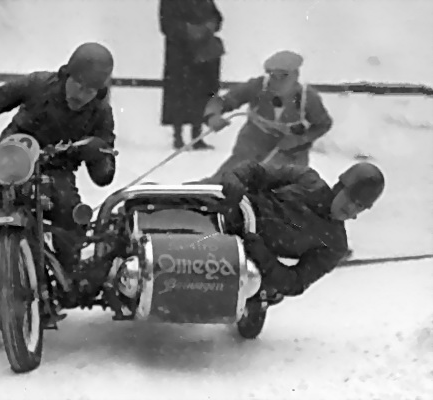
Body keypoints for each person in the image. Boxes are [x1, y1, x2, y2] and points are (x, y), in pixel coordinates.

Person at [0, 42, 117, 315]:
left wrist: (97, 152)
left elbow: (104, 175)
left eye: (90, 90)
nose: (82, 94)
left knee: (70, 214)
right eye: (78, 84)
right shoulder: (38, 84)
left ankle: (67, 279)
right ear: (66, 75)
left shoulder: (100, 112)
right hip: (9, 162)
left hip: (56, 173)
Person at [219, 160, 385, 324]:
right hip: (230, 215)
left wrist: (262, 257)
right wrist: (236, 178)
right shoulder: (305, 179)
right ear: (340, 187)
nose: (351, 208)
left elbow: (296, 281)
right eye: (350, 198)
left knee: (256, 286)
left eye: (360, 206)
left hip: (250, 264)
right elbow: (258, 172)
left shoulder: (335, 245)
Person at [201, 50, 333, 183]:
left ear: (296, 75)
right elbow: (223, 101)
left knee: (280, 193)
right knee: (223, 184)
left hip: (288, 156)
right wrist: (213, 116)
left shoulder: (308, 98)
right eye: (272, 76)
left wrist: (299, 139)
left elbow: (323, 124)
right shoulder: (257, 87)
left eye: (283, 76)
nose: (276, 81)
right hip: (251, 149)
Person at [159, 0, 224, 150]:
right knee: (179, 93)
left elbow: (217, 17)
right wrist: (189, 30)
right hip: (179, 54)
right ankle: (178, 136)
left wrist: (209, 26)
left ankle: (197, 135)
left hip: (203, 53)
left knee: (201, 94)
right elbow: (167, 25)